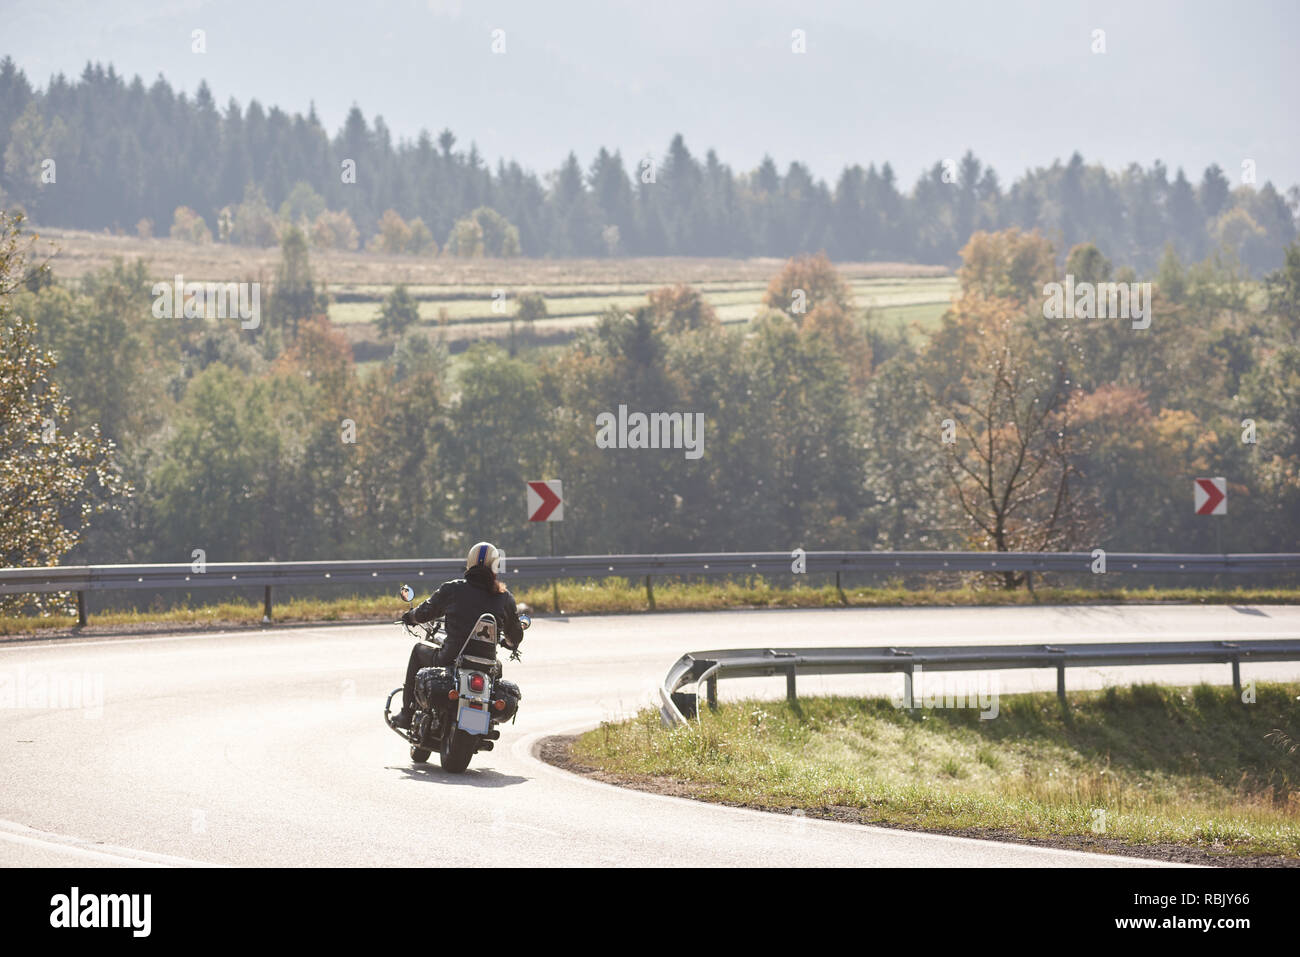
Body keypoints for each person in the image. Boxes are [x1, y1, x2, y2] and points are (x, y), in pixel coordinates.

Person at [391, 542, 524, 730]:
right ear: (495, 566)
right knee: (497, 669)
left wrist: (410, 616)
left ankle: (407, 714)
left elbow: (425, 612)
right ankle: (488, 720)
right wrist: (510, 643)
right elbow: (515, 636)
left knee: (418, 650)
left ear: (469, 562)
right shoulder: (505, 598)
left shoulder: (453, 589)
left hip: (450, 658)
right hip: (487, 664)